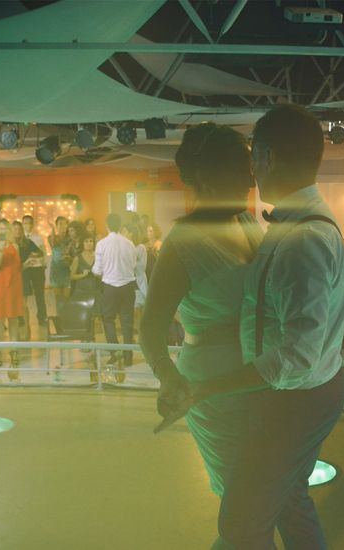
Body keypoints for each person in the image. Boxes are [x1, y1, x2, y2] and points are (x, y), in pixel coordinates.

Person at [158, 105, 344, 549]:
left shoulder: (302, 238)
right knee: (288, 500)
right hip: (300, 393)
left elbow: (295, 358)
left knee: (242, 521)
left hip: (293, 400)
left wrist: (209, 387)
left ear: (268, 157)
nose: (250, 175)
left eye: (252, 161)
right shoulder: (299, 226)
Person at [140, 122, 263, 504]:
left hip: (260, 374)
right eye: (241, 169)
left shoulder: (246, 221)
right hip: (213, 382)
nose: (251, 179)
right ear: (209, 179)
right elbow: (150, 328)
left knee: (267, 493)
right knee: (242, 498)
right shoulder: (182, 243)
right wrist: (169, 378)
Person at [92, 213, 137, 368]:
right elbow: (133, 266)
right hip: (127, 286)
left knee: (108, 319)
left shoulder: (101, 244)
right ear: (120, 226)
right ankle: (128, 356)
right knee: (127, 322)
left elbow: (97, 270)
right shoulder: (129, 244)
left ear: (107, 225)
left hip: (110, 287)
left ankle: (115, 352)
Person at [0, 220, 25, 381]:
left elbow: (17, 267)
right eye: (0, 228)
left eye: (5, 229)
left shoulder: (15, 246)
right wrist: (0, 250)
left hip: (13, 286)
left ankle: (14, 353)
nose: (3, 231)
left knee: (14, 320)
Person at [20, 215, 48, 331]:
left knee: (40, 294)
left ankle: (42, 317)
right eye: (25, 223)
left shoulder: (38, 238)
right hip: (25, 269)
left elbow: (43, 252)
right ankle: (21, 318)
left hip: (37, 268)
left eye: (30, 223)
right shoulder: (19, 238)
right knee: (23, 295)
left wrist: (43, 264)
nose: (28, 225)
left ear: (33, 225)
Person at [123, 222, 149, 310]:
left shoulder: (140, 247)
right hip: (126, 283)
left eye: (124, 232)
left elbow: (139, 267)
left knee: (137, 309)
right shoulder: (124, 247)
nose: (122, 234)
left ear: (131, 233)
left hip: (137, 283)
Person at [49, 216, 72, 303]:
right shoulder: (51, 237)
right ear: (56, 225)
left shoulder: (70, 239)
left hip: (67, 271)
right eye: (60, 224)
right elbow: (53, 243)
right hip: (56, 271)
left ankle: (66, 316)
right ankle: (59, 316)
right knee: (58, 299)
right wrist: (52, 229)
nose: (63, 226)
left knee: (66, 298)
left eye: (65, 223)